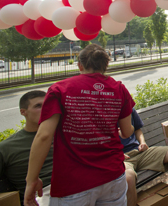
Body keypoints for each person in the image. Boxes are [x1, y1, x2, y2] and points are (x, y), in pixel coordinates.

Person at [24, 44, 135, 206]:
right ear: (106, 65)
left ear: (80, 65)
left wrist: (31, 180)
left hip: (74, 182)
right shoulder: (119, 89)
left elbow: (44, 136)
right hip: (113, 176)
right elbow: (127, 132)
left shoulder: (60, 89)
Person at [123, 108, 168, 206]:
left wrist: (143, 142)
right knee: (128, 177)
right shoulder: (102, 113)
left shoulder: (127, 107)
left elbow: (137, 130)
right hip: (121, 158)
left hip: (139, 152)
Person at [0, 91, 53, 204]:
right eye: (38, 106)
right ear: (23, 112)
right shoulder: (5, 148)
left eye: (48, 104)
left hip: (80, 189)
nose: (45, 109)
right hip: (43, 197)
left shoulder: (65, 135)